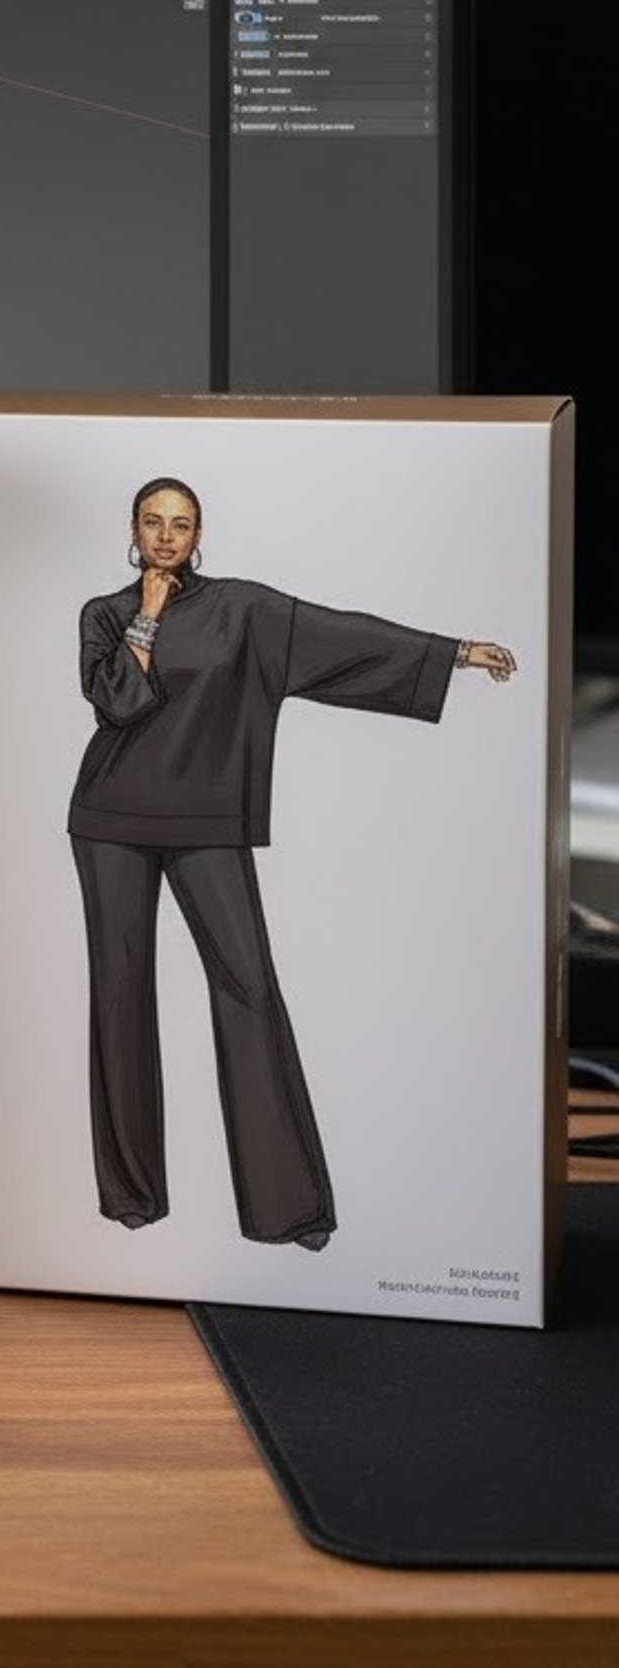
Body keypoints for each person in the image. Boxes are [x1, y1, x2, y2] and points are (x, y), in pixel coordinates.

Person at [69, 475, 516, 1253]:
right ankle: (132, 1197)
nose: (167, 535)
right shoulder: (104, 614)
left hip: (208, 819)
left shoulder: (246, 611)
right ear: (133, 529)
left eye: (181, 523)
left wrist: (451, 653)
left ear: (199, 532)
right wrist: (147, 614)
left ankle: (289, 1210)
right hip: (108, 818)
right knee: (119, 992)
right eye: (153, 521)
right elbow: (118, 703)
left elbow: (340, 637)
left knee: (247, 986)